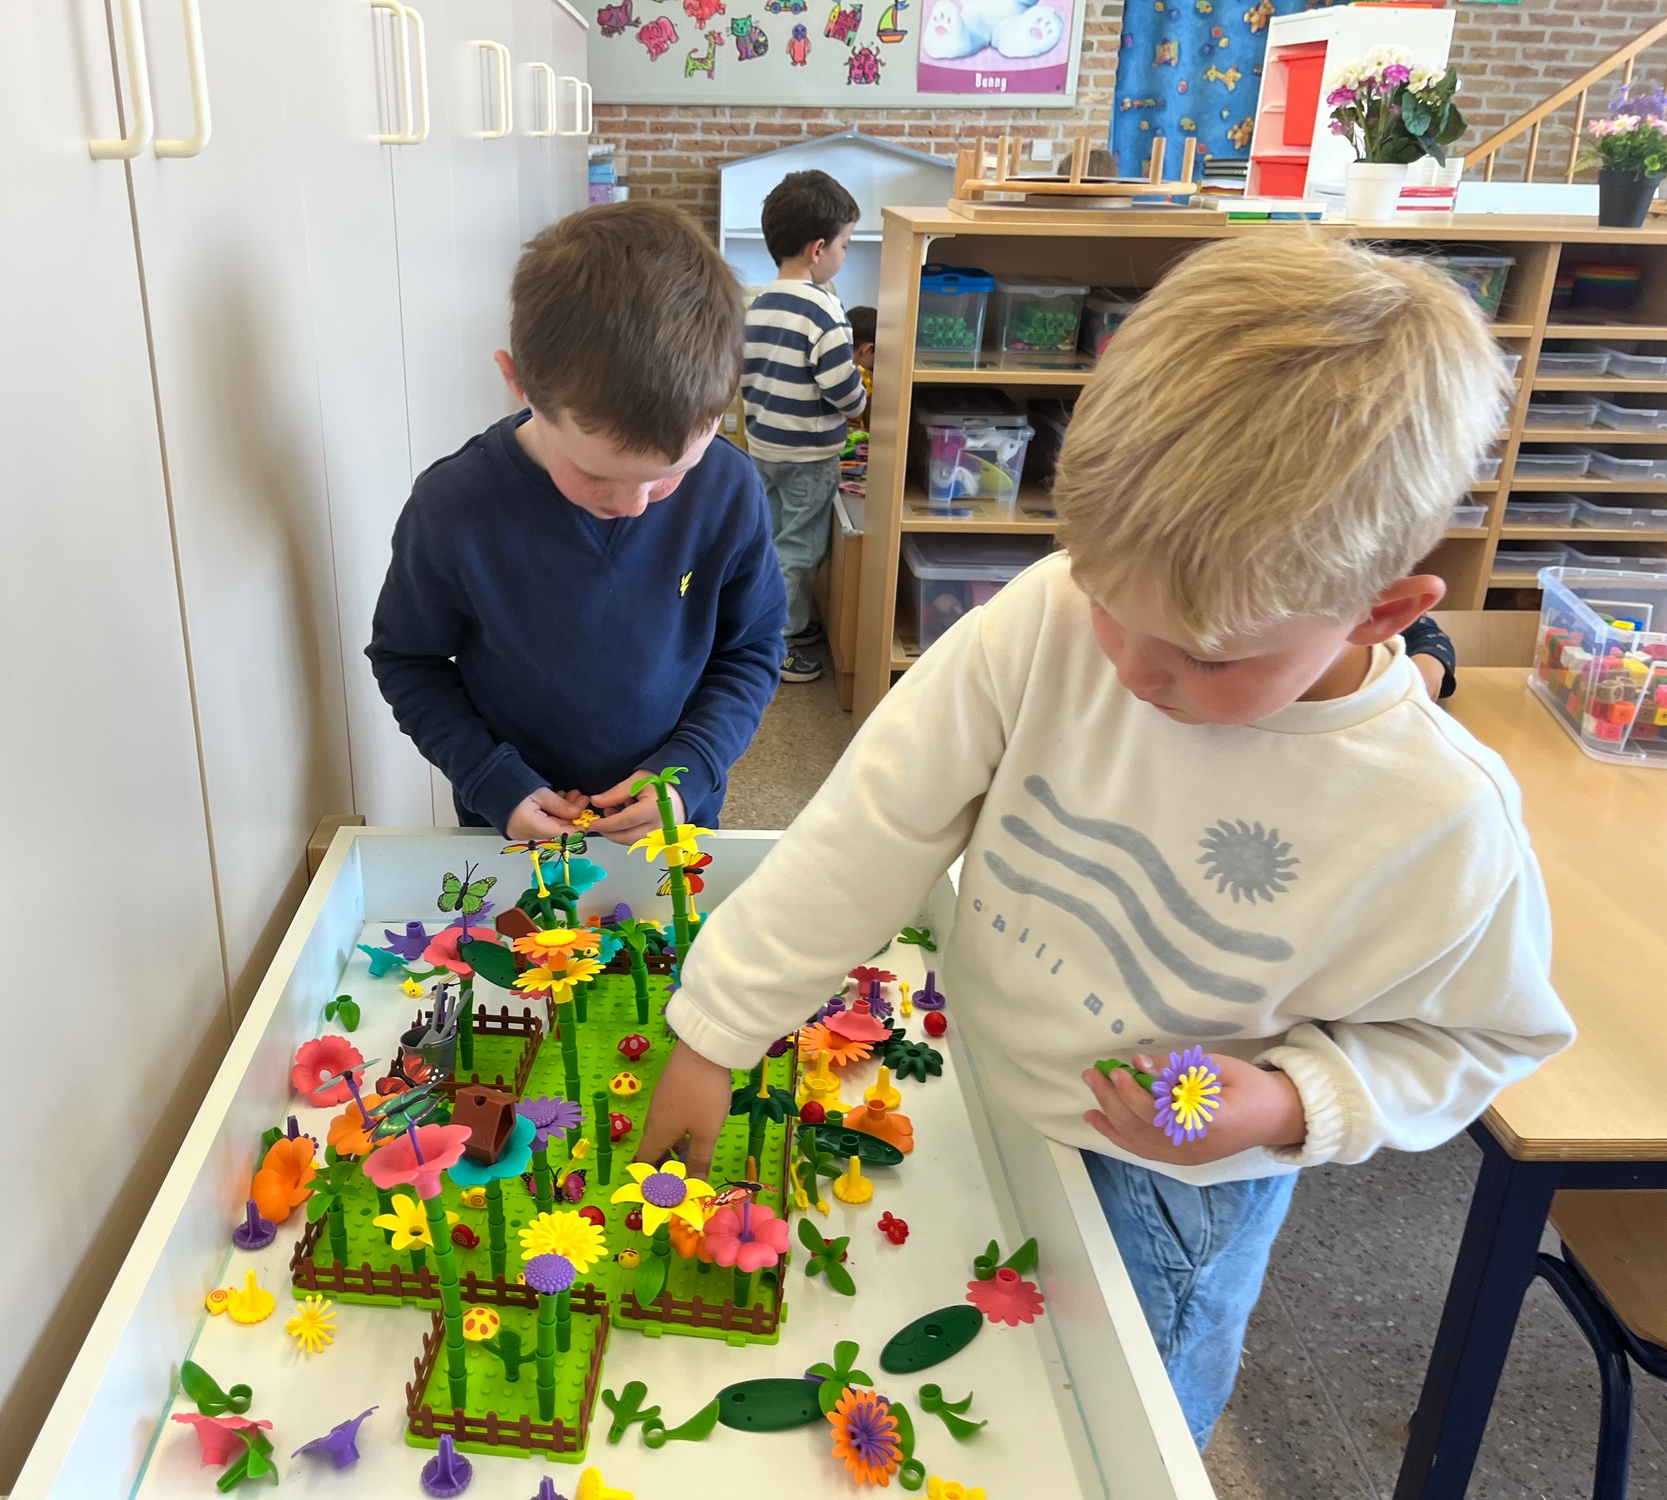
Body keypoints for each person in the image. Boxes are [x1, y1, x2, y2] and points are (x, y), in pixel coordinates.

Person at [635, 233, 1574, 1446]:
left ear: (1379, 609)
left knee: (1117, 1434)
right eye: (1102, 598)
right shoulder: (1042, 617)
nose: (1127, 668)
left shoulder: (1439, 815)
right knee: (993, 1411)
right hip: (986, 1088)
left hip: (1174, 1195)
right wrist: (715, 1029)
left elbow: (1484, 1037)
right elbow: (869, 827)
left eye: (1203, 656)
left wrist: (1292, 1103)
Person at [367, 203, 786, 846]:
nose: (637, 505)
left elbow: (751, 648)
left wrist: (693, 766)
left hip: (674, 822)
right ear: (519, 384)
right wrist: (488, 777)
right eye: (597, 475)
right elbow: (408, 659)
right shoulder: (453, 507)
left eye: (670, 475)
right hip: (513, 832)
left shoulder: (729, 489)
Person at [741, 170, 868, 685]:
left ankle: (783, 621)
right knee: (799, 547)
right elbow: (842, 389)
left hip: (764, 446)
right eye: (845, 244)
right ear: (819, 249)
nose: (844, 254)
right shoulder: (824, 309)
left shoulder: (760, 303)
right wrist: (861, 403)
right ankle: (776, 643)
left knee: (772, 539)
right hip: (808, 456)